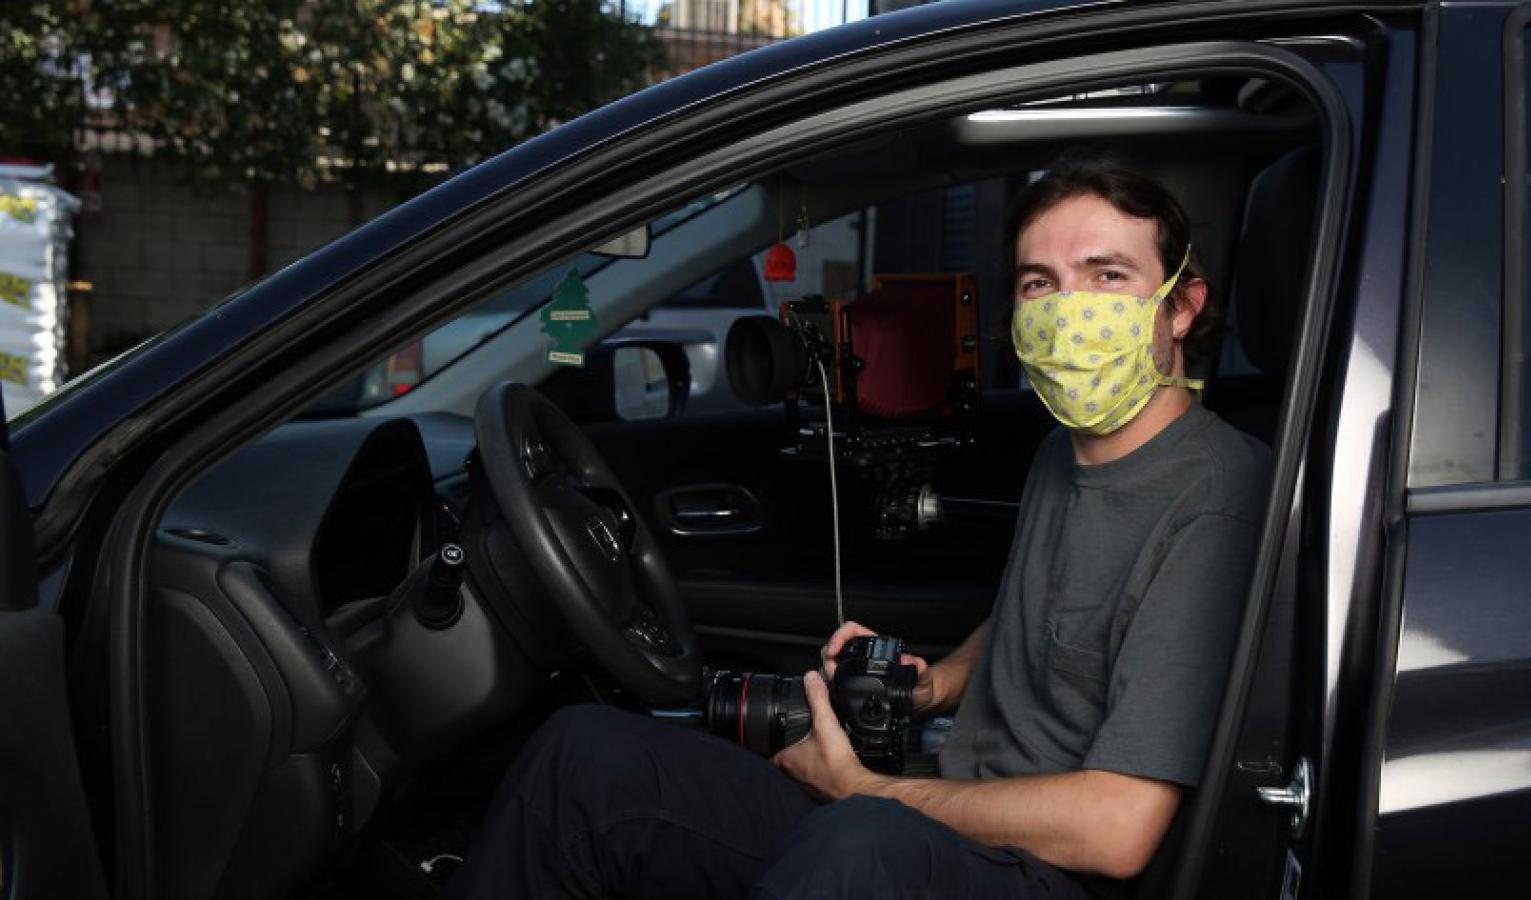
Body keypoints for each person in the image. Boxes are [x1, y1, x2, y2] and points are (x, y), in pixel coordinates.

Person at [442, 152, 1270, 900]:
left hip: (1049, 872)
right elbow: (1043, 614)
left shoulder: (1217, 498)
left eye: (1108, 276)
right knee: (587, 758)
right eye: (1039, 284)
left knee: (857, 844)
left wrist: (865, 790)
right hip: (943, 807)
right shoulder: (1066, 449)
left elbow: (1118, 830)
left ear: (1182, 306)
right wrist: (933, 683)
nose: (1069, 311)